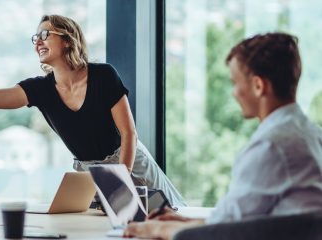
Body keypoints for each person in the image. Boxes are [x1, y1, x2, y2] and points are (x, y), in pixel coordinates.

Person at [0, 15, 186, 206]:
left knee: (171, 215)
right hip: (89, 174)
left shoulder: (104, 75)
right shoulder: (40, 89)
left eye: (45, 35)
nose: (38, 42)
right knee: (103, 230)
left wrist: (119, 179)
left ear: (67, 39)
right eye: (35, 38)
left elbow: (129, 134)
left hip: (129, 162)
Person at [123, 32, 322, 239]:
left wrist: (158, 229)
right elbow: (238, 219)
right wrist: (186, 222)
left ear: (258, 86)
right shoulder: (311, 135)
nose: (233, 93)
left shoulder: (272, 145)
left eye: (235, 83)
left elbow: (225, 232)